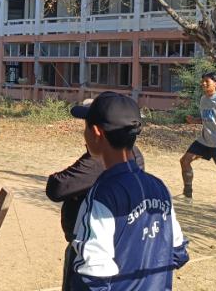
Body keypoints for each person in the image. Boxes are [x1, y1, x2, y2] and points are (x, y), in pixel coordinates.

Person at [68, 91, 189, 290]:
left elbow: (92, 277)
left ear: (96, 132)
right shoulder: (160, 188)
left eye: (85, 127)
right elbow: (178, 253)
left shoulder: (102, 196)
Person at [46, 99, 146, 291]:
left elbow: (57, 188)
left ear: (97, 133)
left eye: (88, 127)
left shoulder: (102, 160)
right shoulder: (133, 154)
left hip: (92, 252)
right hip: (122, 247)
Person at [181, 71, 216, 215]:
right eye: (203, 81)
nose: (203, 83)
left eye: (207, 81)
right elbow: (207, 119)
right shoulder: (203, 99)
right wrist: (194, 120)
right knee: (185, 161)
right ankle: (188, 194)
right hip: (204, 141)